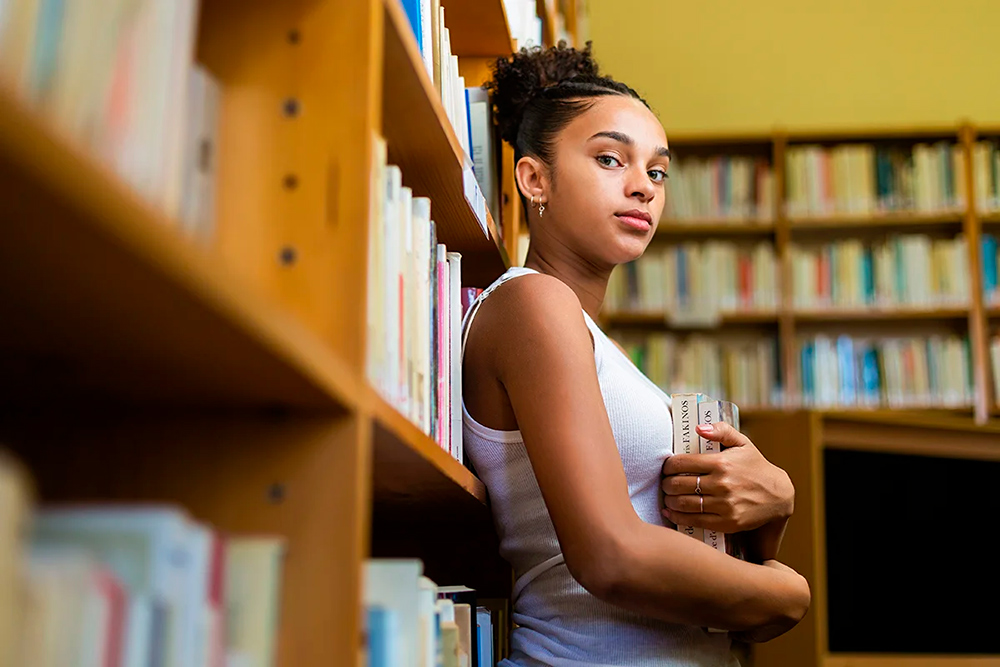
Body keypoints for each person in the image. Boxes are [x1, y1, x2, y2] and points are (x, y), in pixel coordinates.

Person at [460, 42, 810, 666]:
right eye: (609, 159)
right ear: (535, 179)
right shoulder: (533, 304)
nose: (643, 187)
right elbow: (611, 558)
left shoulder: (598, 344)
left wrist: (772, 502)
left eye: (657, 171)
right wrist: (789, 594)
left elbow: (715, 597)